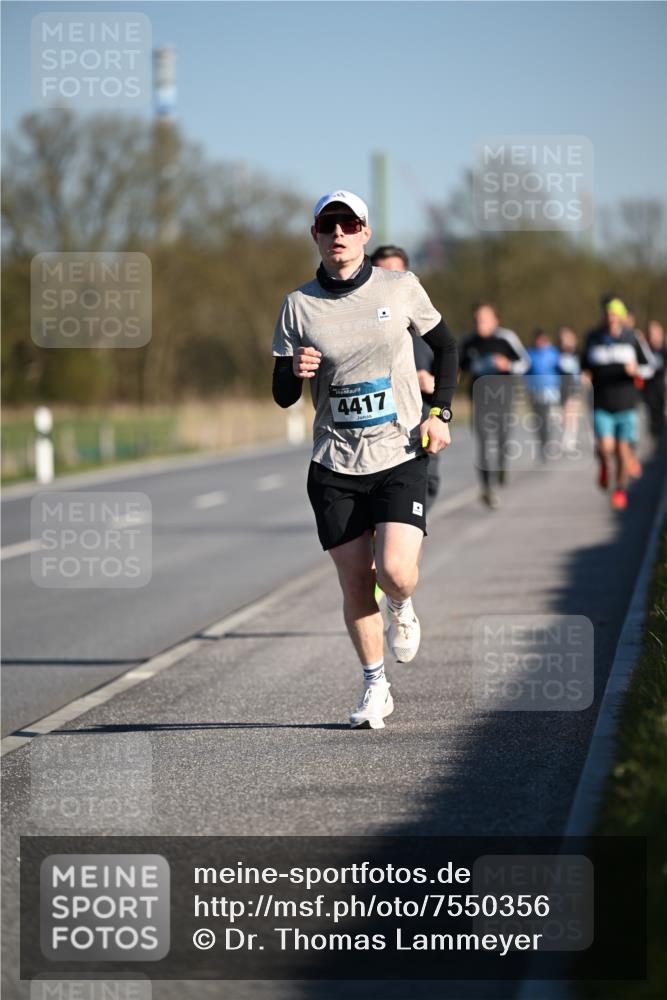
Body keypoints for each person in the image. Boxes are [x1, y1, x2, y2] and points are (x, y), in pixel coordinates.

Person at [272, 191, 458, 729]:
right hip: (334, 462)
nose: (338, 233)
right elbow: (283, 393)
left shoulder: (399, 288)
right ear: (315, 235)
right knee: (356, 580)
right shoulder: (297, 306)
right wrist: (295, 371)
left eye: (348, 224)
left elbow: (447, 348)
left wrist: (440, 413)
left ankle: (402, 605)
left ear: (364, 232)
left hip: (399, 451)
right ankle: (375, 685)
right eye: (328, 224)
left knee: (396, 573)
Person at [370, 244, 442, 510]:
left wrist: (433, 385)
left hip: (419, 425)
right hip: (374, 431)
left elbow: (451, 369)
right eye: (383, 273)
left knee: (425, 489)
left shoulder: (427, 327)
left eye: (397, 274)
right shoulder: (360, 329)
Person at [581, 298, 655, 510]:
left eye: (615, 314)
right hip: (601, 403)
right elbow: (583, 365)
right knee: (606, 447)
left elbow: (651, 366)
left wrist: (636, 371)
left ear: (622, 316)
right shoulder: (593, 338)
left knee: (623, 450)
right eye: (608, 313)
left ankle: (620, 489)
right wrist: (584, 375)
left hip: (627, 404)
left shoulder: (633, 338)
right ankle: (604, 464)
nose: (611, 318)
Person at [458, 302, 530, 508]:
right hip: (480, 400)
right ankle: (486, 488)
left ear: (495, 320)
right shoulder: (469, 342)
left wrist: (508, 365)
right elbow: (458, 368)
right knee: (483, 444)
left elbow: (525, 362)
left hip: (503, 398)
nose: (480, 323)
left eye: (485, 319)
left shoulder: (506, 338)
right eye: (477, 319)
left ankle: (501, 466)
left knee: (502, 440)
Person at [524, 329, 562, 461]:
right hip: (535, 390)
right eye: (537, 340)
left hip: (551, 390)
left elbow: (561, 369)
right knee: (539, 419)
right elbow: (525, 371)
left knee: (548, 418)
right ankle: (543, 443)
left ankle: (549, 443)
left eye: (542, 340)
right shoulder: (529, 354)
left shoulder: (554, 353)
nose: (540, 343)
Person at [557, 326, 582, 453]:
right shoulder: (558, 353)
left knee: (572, 411)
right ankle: (566, 435)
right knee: (565, 412)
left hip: (575, 385)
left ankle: (571, 437)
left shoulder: (578, 353)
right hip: (562, 385)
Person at [641, 320, 666, 443]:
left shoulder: (665, 350)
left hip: (661, 389)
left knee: (660, 415)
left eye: (656, 333)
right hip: (647, 390)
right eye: (651, 333)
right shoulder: (645, 350)